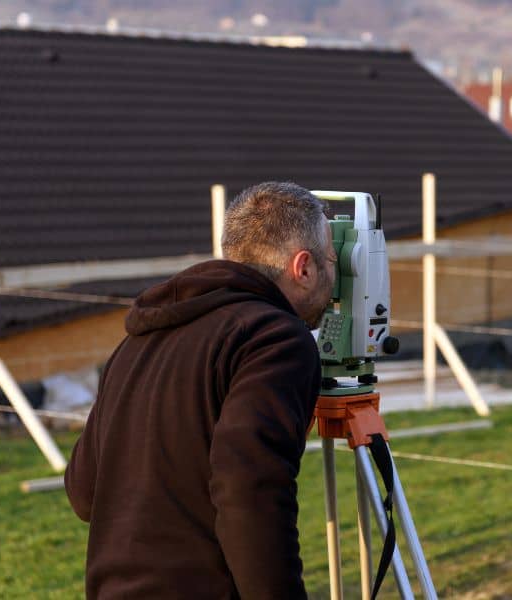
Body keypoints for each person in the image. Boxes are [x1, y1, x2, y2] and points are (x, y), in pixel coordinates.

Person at [65, 182, 336, 599]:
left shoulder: (138, 341)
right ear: (303, 267)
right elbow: (251, 491)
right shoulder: (275, 340)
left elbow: (84, 493)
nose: (336, 277)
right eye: (332, 260)